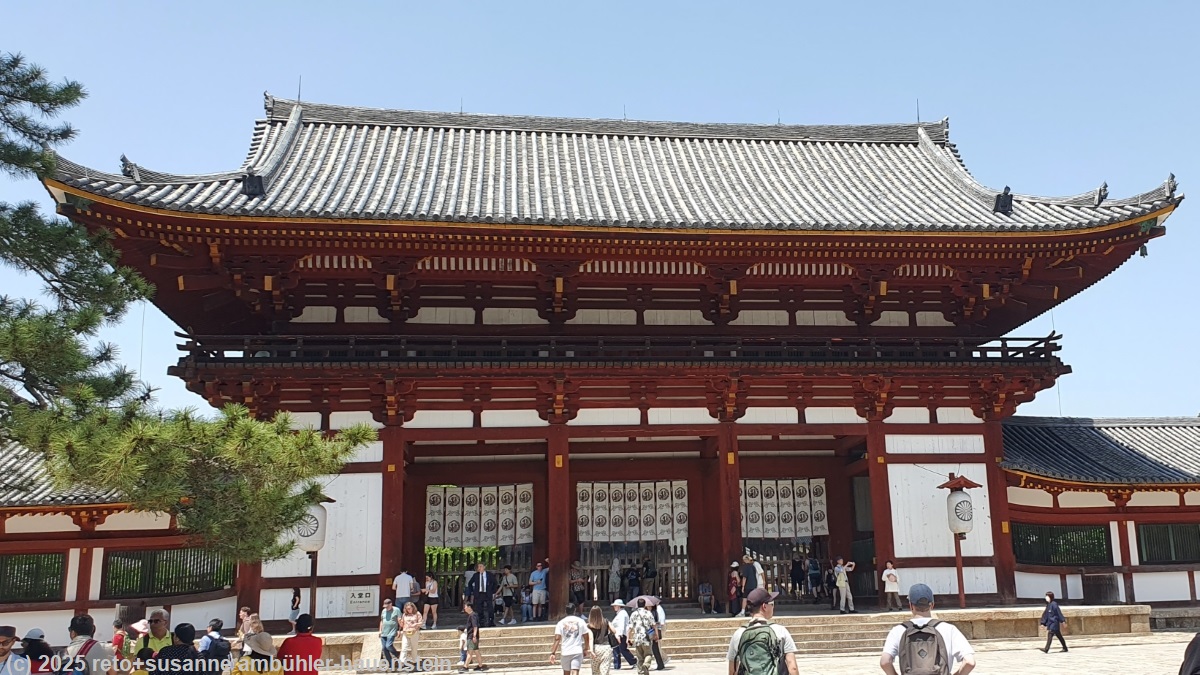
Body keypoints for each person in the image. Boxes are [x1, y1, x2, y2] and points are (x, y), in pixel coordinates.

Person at [880, 583, 975, 675]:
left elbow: (885, 662)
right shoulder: (949, 629)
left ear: (911, 606)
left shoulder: (898, 631)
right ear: (932, 605)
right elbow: (969, 662)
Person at [726, 588, 799, 675]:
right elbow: (793, 667)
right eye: (772, 604)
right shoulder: (780, 631)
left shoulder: (739, 633)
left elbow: (732, 671)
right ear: (764, 606)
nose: (773, 607)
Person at [550, 603, 591, 675]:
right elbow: (586, 636)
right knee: (575, 671)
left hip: (565, 651)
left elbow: (557, 639)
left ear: (566, 611)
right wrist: (586, 648)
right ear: (575, 610)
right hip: (577, 650)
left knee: (566, 672)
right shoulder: (581, 621)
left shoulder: (560, 623)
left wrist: (553, 652)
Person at [626, 599, 656, 675]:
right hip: (646, 638)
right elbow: (654, 625)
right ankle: (646, 665)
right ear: (645, 604)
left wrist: (628, 638)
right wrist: (656, 635)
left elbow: (630, 627)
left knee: (640, 657)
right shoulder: (648, 613)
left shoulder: (634, 614)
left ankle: (640, 672)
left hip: (637, 638)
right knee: (648, 654)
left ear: (637, 605)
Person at [465, 562, 497, 628]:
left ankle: (491, 621)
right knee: (479, 608)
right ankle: (481, 622)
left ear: (484, 567)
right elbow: (470, 583)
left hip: (487, 593)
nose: (479, 568)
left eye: (480, 566)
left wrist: (492, 591)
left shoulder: (489, 575)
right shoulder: (476, 575)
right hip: (479, 594)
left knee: (490, 608)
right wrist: (473, 591)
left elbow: (495, 583)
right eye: (478, 567)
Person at [585, 606, 615, 675]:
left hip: (595, 648)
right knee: (604, 671)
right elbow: (614, 631)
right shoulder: (606, 621)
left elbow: (591, 638)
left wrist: (591, 650)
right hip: (606, 647)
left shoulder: (589, 625)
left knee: (595, 671)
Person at [608, 600, 636, 671]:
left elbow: (621, 625)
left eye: (615, 606)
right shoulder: (620, 613)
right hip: (618, 634)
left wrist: (619, 635)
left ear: (619, 606)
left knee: (622, 649)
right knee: (617, 650)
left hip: (621, 634)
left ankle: (633, 662)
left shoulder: (622, 614)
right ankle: (617, 665)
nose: (614, 607)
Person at [461, 603, 486, 672]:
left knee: (470, 652)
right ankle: (480, 665)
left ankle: (465, 666)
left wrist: (474, 636)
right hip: (472, 636)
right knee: (476, 651)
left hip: (472, 636)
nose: (464, 608)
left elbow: (475, 626)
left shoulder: (472, 615)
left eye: (465, 607)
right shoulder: (473, 615)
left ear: (469, 607)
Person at [398, 602, 423, 668]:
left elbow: (421, 623)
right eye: (407, 609)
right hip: (406, 632)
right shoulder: (404, 615)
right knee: (404, 647)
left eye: (409, 608)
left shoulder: (417, 614)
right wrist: (399, 622)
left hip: (414, 632)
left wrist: (416, 624)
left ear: (413, 608)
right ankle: (402, 662)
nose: (408, 610)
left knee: (414, 648)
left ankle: (414, 660)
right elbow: (402, 624)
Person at [378, 598, 400, 668]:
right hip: (384, 632)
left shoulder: (396, 610)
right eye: (385, 606)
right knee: (384, 648)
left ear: (391, 604)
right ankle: (390, 663)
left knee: (388, 645)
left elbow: (399, 620)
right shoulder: (383, 611)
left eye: (387, 606)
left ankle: (396, 654)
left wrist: (399, 630)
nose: (386, 608)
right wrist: (380, 630)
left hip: (392, 631)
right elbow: (382, 621)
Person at [649, 600, 667, 671]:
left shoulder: (656, 611)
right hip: (654, 631)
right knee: (655, 648)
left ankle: (660, 663)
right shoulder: (654, 612)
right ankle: (660, 664)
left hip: (654, 631)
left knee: (655, 648)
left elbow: (657, 623)